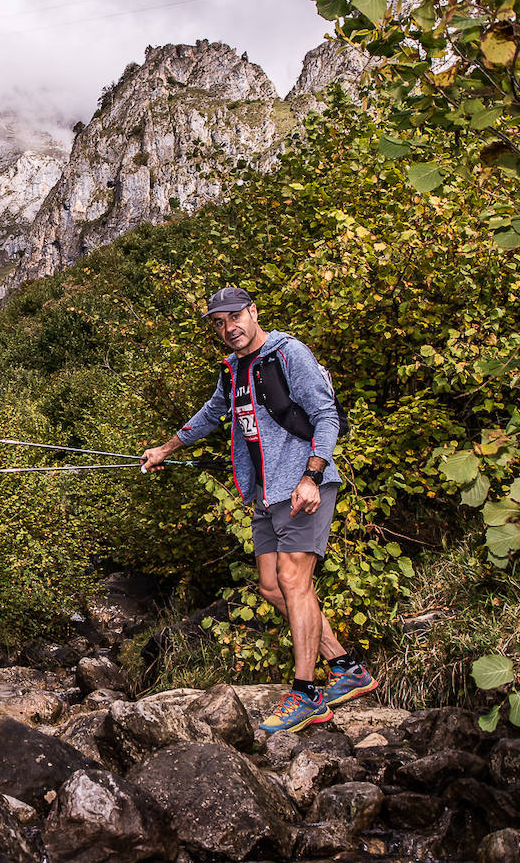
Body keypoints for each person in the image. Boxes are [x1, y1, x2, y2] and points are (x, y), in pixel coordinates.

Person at [140, 287, 378, 734]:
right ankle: (347, 668)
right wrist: (165, 448)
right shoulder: (232, 371)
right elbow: (211, 414)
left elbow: (327, 416)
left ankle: (306, 693)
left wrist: (312, 475)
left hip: (303, 486)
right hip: (265, 494)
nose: (228, 327)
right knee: (272, 588)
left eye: (234, 317)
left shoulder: (288, 353)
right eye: (218, 322)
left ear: (252, 312)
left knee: (293, 579)